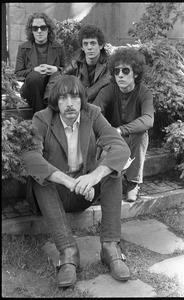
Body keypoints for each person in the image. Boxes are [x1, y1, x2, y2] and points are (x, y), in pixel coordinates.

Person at [21, 75, 131, 288]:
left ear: (82, 99)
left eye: (74, 97)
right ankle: (68, 251)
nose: (69, 104)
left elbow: (120, 148)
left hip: (84, 191)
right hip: (55, 195)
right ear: (55, 102)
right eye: (63, 98)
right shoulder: (42, 118)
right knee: (40, 177)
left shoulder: (93, 114)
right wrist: (69, 182)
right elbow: (29, 156)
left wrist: (93, 177)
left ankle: (110, 248)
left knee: (113, 170)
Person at [93, 47, 154, 202]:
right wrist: (107, 133)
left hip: (130, 139)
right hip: (110, 140)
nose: (120, 75)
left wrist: (120, 130)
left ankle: (133, 183)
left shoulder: (144, 93)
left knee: (141, 134)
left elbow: (148, 119)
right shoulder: (107, 91)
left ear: (136, 73)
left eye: (126, 71)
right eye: (116, 71)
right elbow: (94, 114)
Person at [15, 12, 65, 113]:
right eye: (35, 28)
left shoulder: (58, 47)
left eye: (43, 27)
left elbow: (66, 70)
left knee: (57, 75)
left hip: (52, 87)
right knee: (35, 76)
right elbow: (18, 74)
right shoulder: (23, 48)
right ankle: (40, 115)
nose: (39, 31)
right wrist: (34, 70)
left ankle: (50, 115)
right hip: (31, 88)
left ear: (48, 29)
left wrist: (56, 69)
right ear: (31, 30)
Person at [48, 24, 110, 103]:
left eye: (93, 43)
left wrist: (79, 99)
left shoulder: (109, 64)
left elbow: (102, 84)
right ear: (82, 47)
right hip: (78, 103)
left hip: (98, 105)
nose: (89, 47)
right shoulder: (75, 63)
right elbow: (58, 77)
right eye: (85, 44)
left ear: (101, 46)